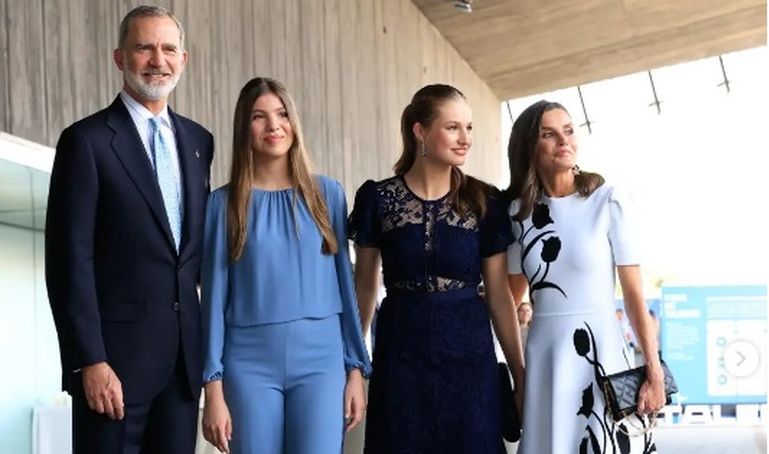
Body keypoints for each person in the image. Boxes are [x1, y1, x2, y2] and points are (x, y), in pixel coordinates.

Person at [45, 5, 214, 453]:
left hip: (182, 369)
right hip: (113, 370)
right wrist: (89, 360)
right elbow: (69, 261)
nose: (157, 59)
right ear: (120, 58)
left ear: (184, 59)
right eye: (144, 48)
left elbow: (191, 258)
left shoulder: (199, 143)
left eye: (168, 48)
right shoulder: (87, 142)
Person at [349, 84, 525, 453]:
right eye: (453, 127)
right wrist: (351, 365)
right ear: (420, 131)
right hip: (400, 354)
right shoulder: (378, 199)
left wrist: (519, 373)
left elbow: (498, 296)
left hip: (470, 358)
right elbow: (364, 290)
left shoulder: (484, 201)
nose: (465, 139)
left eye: (470, 128)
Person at [200, 77, 371, 454]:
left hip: (322, 361)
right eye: (259, 117)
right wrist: (212, 386)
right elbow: (212, 299)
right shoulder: (221, 205)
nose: (273, 126)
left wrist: (355, 368)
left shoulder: (327, 194)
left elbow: (346, 284)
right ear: (244, 128)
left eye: (281, 114)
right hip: (248, 363)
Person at [505, 100, 665, 453]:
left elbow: (635, 296)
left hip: (603, 354)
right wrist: (518, 373)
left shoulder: (608, 200)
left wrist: (653, 369)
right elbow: (509, 300)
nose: (564, 140)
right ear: (529, 146)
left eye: (569, 130)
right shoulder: (517, 215)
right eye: (549, 134)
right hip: (546, 359)